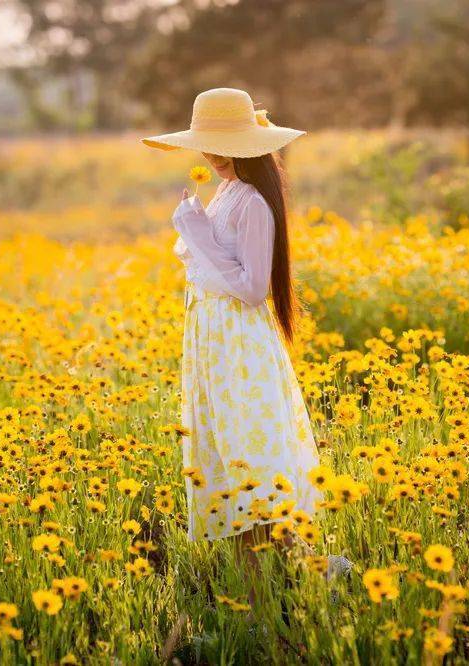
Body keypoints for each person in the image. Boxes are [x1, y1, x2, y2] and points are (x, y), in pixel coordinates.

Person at [141, 88, 352, 614]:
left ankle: (287, 590)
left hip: (241, 347)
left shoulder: (254, 202)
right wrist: (200, 229)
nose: (213, 155)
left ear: (250, 145)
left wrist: (197, 235)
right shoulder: (226, 192)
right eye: (207, 143)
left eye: (226, 143)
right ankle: (258, 594)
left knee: (250, 457)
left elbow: (255, 287)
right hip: (214, 344)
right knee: (226, 455)